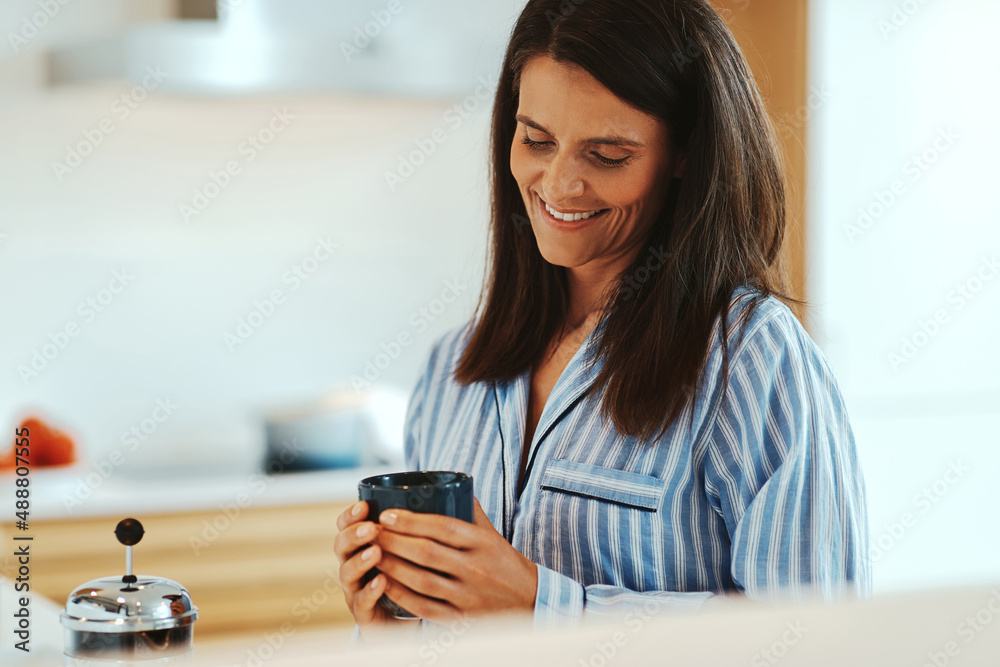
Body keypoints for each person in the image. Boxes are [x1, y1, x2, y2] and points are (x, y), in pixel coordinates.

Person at [334, 0, 870, 637]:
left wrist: (539, 607)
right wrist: (392, 627)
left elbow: (819, 640)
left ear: (684, 154)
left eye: (608, 155)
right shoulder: (454, 370)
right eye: (536, 140)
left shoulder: (752, 361)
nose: (559, 185)